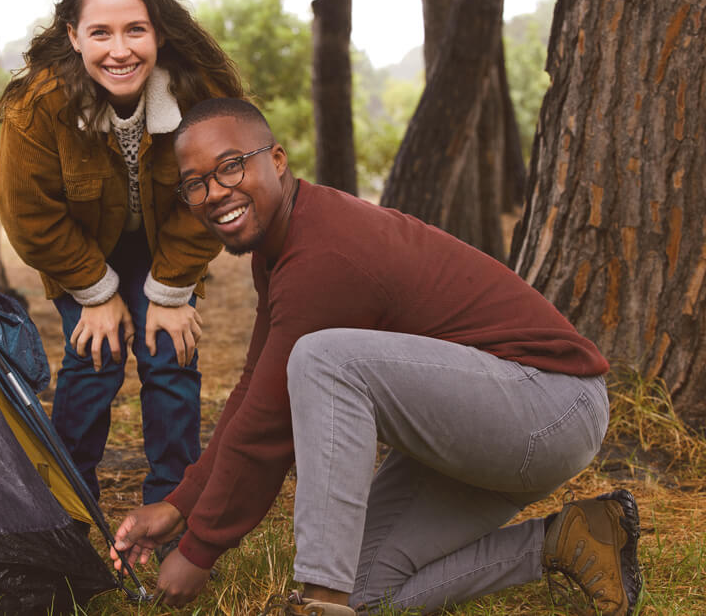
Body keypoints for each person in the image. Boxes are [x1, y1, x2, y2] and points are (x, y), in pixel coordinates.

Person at [110, 98, 643, 615]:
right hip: (478, 432)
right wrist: (180, 506)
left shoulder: (324, 255)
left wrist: (200, 549)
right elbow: (257, 390)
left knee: (324, 360)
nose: (214, 193)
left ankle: (322, 600)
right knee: (369, 586)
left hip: (547, 405)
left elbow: (267, 430)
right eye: (196, 184)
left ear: (275, 159)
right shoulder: (283, 243)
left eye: (230, 167)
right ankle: (563, 542)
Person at [0, 0, 243, 511]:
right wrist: (96, 293)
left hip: (167, 242)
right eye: (100, 32)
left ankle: (171, 509)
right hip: (81, 247)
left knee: (169, 353)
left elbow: (217, 193)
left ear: (158, 29)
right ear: (73, 37)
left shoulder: (200, 91)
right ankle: (67, 509)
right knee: (94, 355)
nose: (120, 49)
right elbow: (31, 220)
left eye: (136, 29)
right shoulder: (38, 107)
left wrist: (173, 291)